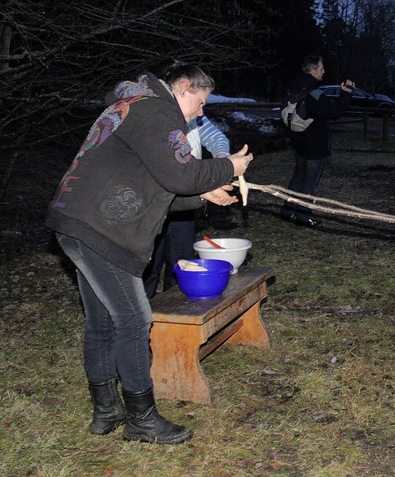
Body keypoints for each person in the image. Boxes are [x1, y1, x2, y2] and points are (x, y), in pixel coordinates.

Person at [46, 61, 253, 444]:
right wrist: (228, 166)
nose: (201, 112)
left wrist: (203, 193)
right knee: (134, 319)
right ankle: (142, 419)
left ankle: (107, 413)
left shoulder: (134, 105)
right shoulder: (156, 108)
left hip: (78, 219)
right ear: (184, 87)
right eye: (201, 102)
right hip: (99, 227)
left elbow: (155, 187)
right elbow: (178, 175)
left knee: (103, 321)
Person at [143, 114, 231, 298]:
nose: (201, 110)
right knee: (149, 265)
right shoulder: (153, 114)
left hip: (185, 202)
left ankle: (176, 313)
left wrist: (222, 163)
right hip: (152, 202)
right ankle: (142, 316)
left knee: (182, 262)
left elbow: (216, 137)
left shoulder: (195, 115)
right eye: (199, 102)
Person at [280, 55, 354, 227]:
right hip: (314, 143)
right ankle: (304, 215)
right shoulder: (315, 93)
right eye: (321, 68)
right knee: (310, 181)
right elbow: (335, 112)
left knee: (298, 176)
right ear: (313, 70)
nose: (323, 71)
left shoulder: (293, 88)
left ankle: (288, 210)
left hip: (298, 141)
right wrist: (346, 94)